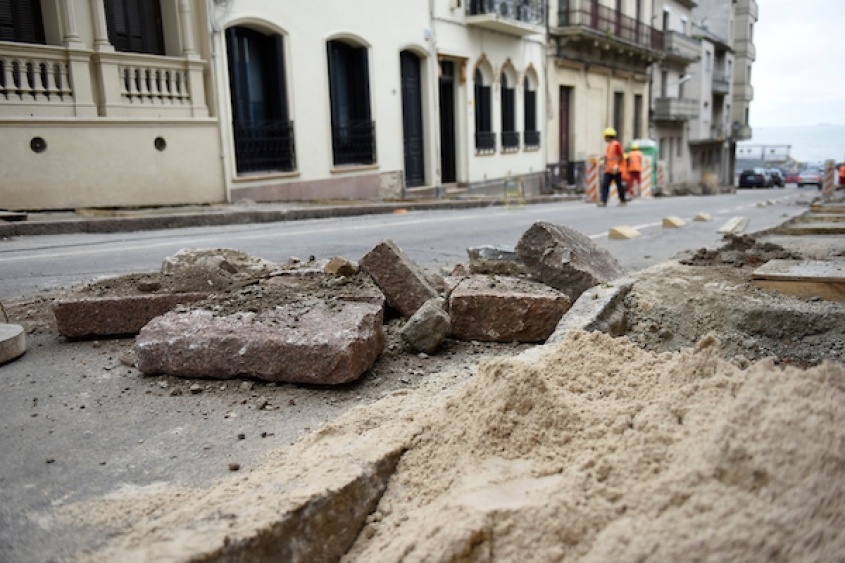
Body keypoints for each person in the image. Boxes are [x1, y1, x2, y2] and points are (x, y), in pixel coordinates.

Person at [600, 127, 626, 207]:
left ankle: (623, 200)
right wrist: (603, 160)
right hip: (609, 169)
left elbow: (620, 155)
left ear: (608, 136)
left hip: (616, 169)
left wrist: (617, 165)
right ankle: (603, 201)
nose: (604, 138)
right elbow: (608, 156)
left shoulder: (616, 145)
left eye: (605, 137)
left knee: (619, 185)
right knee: (605, 184)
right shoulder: (610, 145)